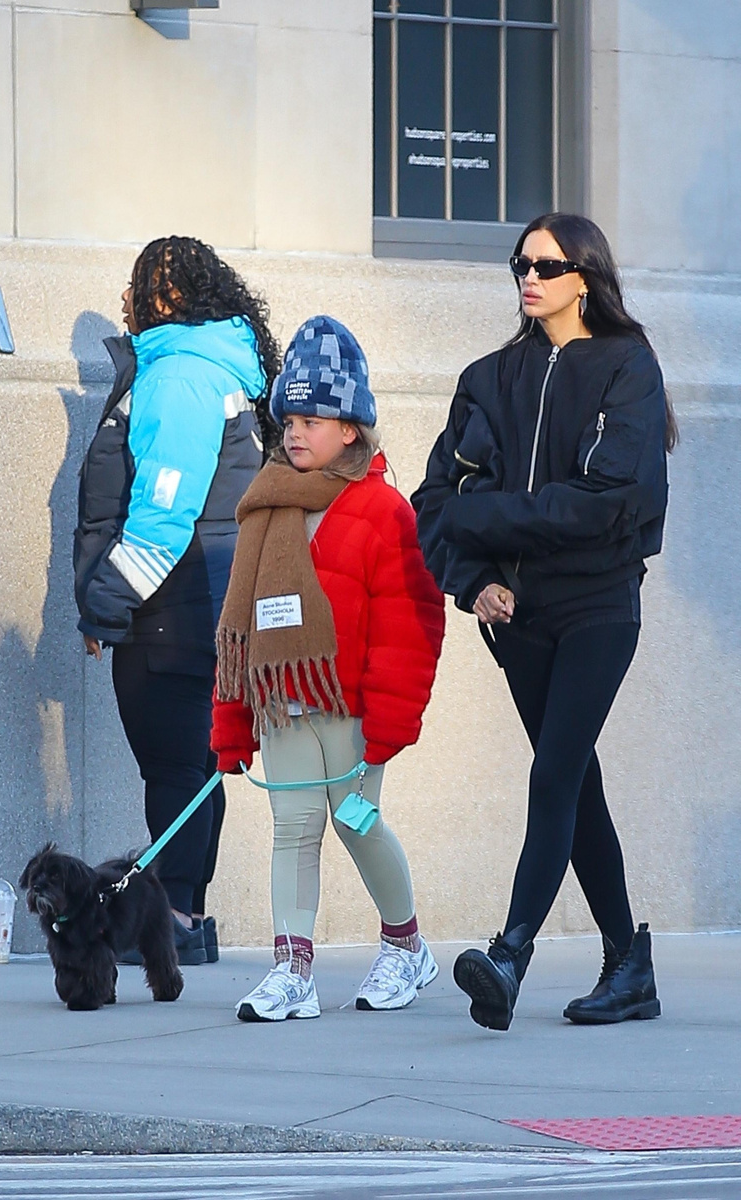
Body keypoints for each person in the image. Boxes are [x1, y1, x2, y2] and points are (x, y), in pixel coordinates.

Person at [412, 213, 677, 1032]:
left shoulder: (627, 367)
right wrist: (475, 582)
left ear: (585, 277)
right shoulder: (488, 378)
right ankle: (628, 964)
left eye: (547, 265)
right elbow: (434, 504)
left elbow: (612, 502)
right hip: (518, 616)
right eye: (520, 263)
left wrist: (487, 519)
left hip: (599, 605)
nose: (529, 277)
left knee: (555, 771)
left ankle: (510, 953)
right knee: (573, 779)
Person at [211, 316, 445, 1020]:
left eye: (311, 420)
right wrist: (231, 726)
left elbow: (409, 623)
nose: (295, 433)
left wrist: (390, 721)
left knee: (356, 822)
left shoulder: (383, 510)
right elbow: (240, 631)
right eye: (289, 419)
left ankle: (405, 947)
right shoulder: (263, 507)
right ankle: (293, 971)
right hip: (281, 705)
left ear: (349, 429)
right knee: (293, 830)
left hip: (351, 710)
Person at [74, 235, 279, 964]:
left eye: (134, 286)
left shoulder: (180, 375)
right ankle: (189, 917)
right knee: (194, 763)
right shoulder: (213, 364)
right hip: (205, 601)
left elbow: (162, 516)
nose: (124, 300)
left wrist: (105, 605)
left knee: (174, 768)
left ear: (164, 296)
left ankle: (177, 922)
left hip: (171, 603)